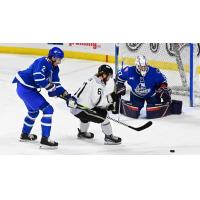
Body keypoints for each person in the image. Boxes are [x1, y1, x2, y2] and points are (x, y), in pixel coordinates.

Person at [12, 47, 74, 149]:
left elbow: (56, 85)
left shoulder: (55, 68)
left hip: (26, 89)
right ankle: (45, 140)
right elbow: (39, 78)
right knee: (48, 110)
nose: (60, 62)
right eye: (58, 59)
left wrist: (67, 96)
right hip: (26, 89)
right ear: (53, 57)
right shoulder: (42, 62)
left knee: (33, 112)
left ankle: (24, 135)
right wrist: (51, 88)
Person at [116, 55, 182, 119]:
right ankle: (118, 104)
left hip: (152, 95)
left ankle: (169, 106)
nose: (143, 68)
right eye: (141, 67)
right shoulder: (129, 70)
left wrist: (162, 88)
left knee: (152, 113)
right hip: (136, 95)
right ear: (136, 66)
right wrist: (120, 84)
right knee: (133, 113)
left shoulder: (154, 71)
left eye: (145, 66)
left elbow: (163, 80)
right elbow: (119, 75)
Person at [70, 64, 122, 145]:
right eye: (108, 76)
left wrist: (107, 105)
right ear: (104, 75)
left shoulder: (92, 79)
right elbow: (97, 102)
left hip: (76, 108)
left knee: (86, 116)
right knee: (104, 117)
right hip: (83, 110)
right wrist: (112, 97)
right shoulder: (98, 84)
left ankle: (82, 133)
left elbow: (94, 100)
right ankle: (109, 137)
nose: (108, 78)